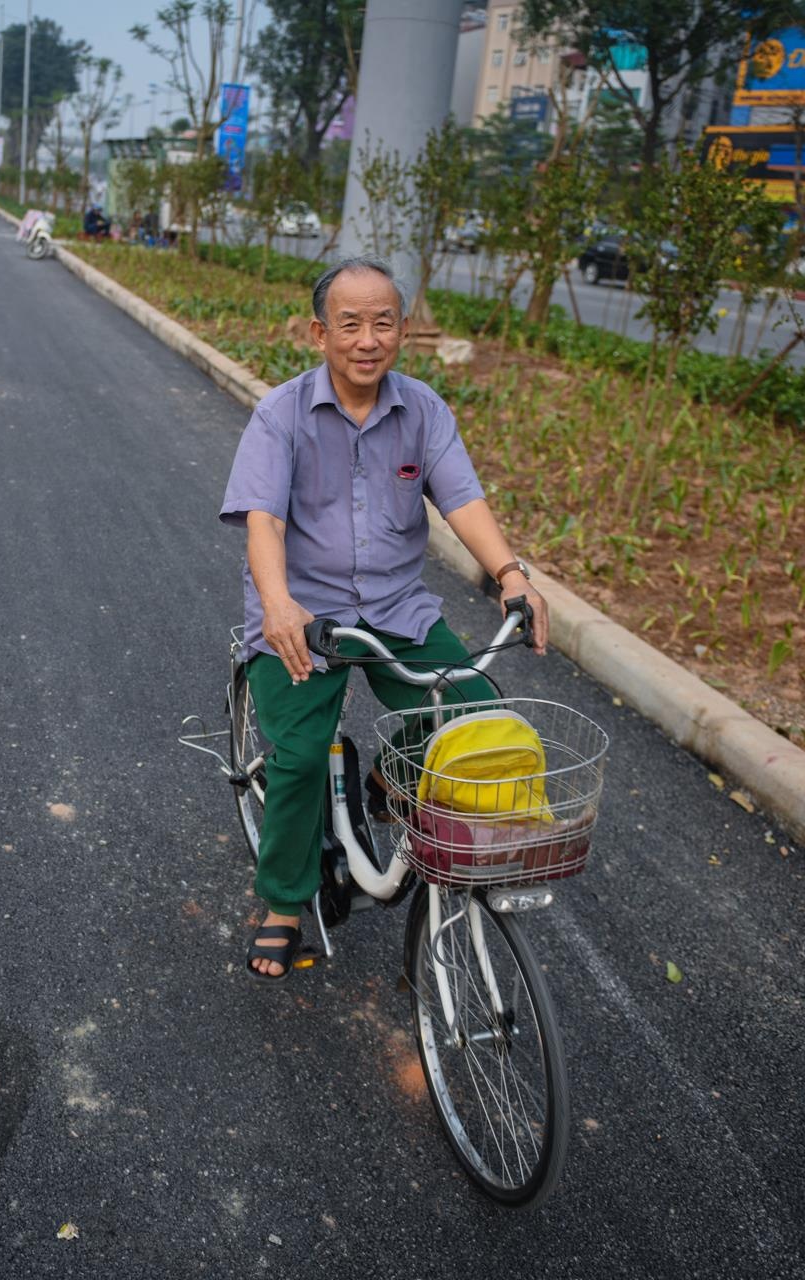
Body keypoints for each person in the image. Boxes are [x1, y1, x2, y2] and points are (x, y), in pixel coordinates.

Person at [219, 256, 550, 980]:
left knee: (473, 712)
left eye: (383, 323)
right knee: (301, 758)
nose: (367, 340)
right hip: (303, 618)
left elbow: (461, 499)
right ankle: (281, 902)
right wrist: (278, 605)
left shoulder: (424, 409)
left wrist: (511, 575)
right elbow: (263, 522)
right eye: (350, 325)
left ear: (403, 329)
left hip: (398, 610)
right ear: (319, 332)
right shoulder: (281, 415)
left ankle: (389, 785)